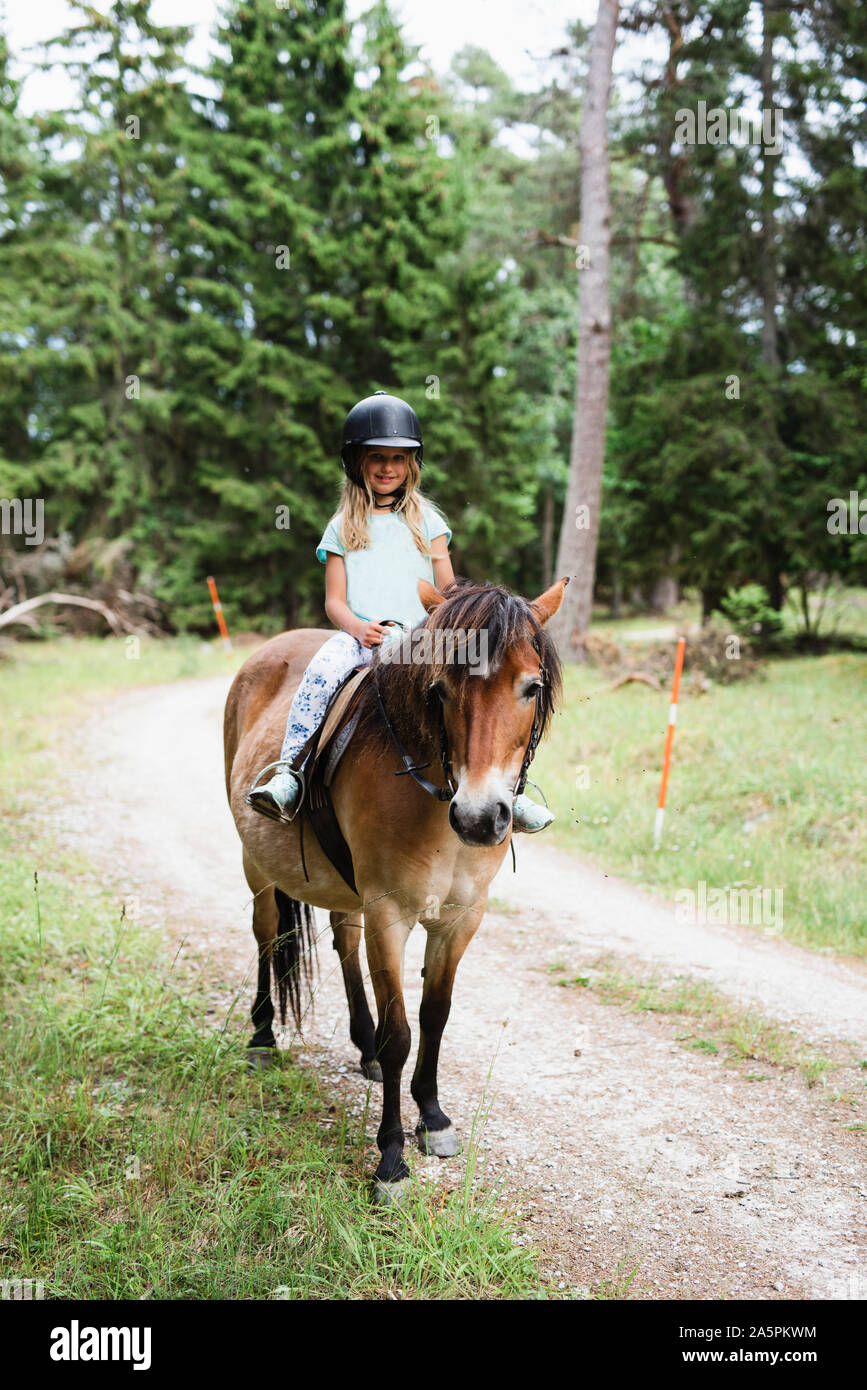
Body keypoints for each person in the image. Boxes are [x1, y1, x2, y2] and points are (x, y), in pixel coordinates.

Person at [246, 391, 554, 833]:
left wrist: (461, 627)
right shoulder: (341, 527)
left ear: (412, 465)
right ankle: (289, 773)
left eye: (398, 457)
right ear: (357, 462)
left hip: (425, 639)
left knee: (488, 686)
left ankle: (512, 791)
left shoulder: (428, 522)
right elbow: (334, 600)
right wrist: (358, 627)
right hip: (361, 636)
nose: (387, 467)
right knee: (319, 676)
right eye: (376, 457)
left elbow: (449, 591)